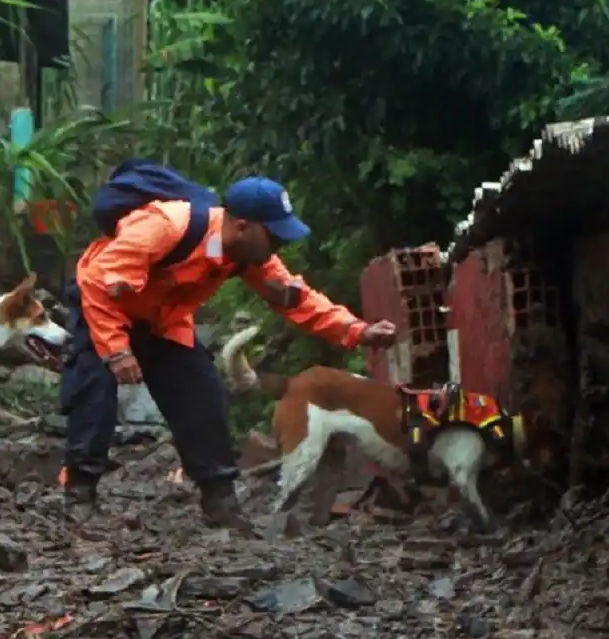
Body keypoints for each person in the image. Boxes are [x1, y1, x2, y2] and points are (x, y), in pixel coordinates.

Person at [59, 161, 397, 529]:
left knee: (203, 396)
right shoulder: (165, 226)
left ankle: (220, 500)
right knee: (94, 394)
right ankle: (79, 494)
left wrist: (357, 331)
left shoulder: (248, 256)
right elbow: (98, 282)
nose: (279, 245)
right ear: (242, 226)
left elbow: (295, 299)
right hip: (105, 308)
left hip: (163, 322)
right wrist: (117, 350)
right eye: (275, 235)